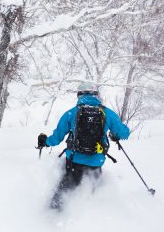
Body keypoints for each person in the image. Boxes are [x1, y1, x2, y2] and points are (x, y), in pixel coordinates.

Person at [37, 81, 130, 210]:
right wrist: (115, 134)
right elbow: (124, 133)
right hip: (96, 161)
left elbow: (57, 137)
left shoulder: (71, 113)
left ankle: (53, 213)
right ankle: (91, 214)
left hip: (74, 160)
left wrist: (45, 142)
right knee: (92, 190)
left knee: (65, 190)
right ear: (96, 95)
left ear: (79, 95)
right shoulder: (107, 113)